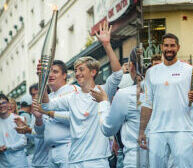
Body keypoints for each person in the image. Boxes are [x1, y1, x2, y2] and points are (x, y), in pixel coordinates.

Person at [39, 21, 122, 168]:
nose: (77, 73)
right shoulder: (72, 97)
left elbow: (117, 74)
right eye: (76, 70)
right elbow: (46, 104)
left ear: (93, 72)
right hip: (74, 160)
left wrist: (107, 45)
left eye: (81, 69)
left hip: (97, 160)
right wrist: (42, 77)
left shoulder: (103, 91)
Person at [138, 33, 193, 168]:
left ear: (178, 47)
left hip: (182, 130)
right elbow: (147, 103)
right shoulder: (151, 72)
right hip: (156, 130)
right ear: (161, 47)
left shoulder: (189, 70)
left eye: (172, 46)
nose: (169, 49)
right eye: (166, 45)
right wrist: (142, 131)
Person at [101, 47, 146, 167]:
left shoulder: (124, 94)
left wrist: (104, 103)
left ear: (131, 66)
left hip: (135, 158)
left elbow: (107, 129)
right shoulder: (165, 91)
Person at [33, 60, 79, 168]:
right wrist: (38, 119)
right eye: (48, 72)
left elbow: (77, 118)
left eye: (55, 72)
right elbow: (39, 134)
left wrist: (49, 113)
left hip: (68, 148)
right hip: (50, 153)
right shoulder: (48, 97)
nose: (50, 75)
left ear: (64, 75)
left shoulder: (73, 90)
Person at [0, 93, 28, 168]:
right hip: (3, 164)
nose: (1, 106)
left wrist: (7, 147)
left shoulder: (19, 119)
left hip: (19, 163)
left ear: (8, 104)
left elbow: (24, 142)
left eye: (3, 103)